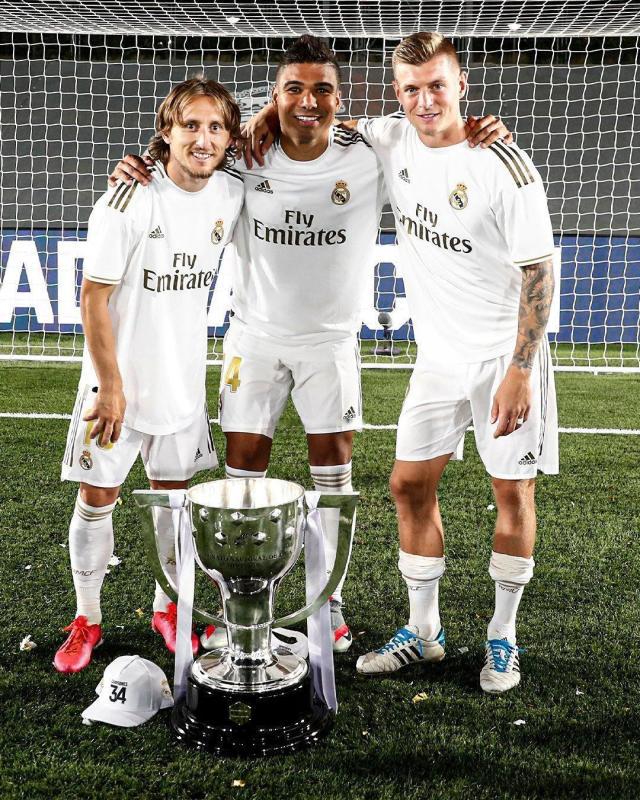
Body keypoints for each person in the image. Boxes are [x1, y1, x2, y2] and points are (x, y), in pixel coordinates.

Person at [111, 36, 509, 654]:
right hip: (254, 342)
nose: (307, 100)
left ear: (338, 98)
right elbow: (190, 156)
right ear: (274, 96)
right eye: (293, 88)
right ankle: (238, 605)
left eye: (321, 89)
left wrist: (480, 131)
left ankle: (330, 605)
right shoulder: (245, 157)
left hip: (331, 346)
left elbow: (430, 139)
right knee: (241, 483)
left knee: (334, 482)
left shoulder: (368, 153)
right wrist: (140, 163)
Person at [343, 33, 557, 693]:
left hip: (503, 356)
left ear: (461, 84)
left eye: (437, 85)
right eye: (411, 89)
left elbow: (539, 272)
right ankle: (424, 632)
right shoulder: (389, 139)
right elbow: (313, 120)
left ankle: (503, 637)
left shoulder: (504, 164)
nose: (425, 100)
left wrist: (520, 370)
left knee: (512, 492)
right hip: (437, 358)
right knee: (408, 484)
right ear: (397, 93)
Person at [54, 78, 244, 673]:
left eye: (216, 127)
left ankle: (169, 608)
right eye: (190, 125)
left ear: (230, 138)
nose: (203, 139)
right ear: (167, 130)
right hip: (115, 387)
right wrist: (110, 386)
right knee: (97, 499)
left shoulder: (232, 192)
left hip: (181, 383)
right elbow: (93, 298)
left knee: (174, 504)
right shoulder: (129, 199)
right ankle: (87, 618)